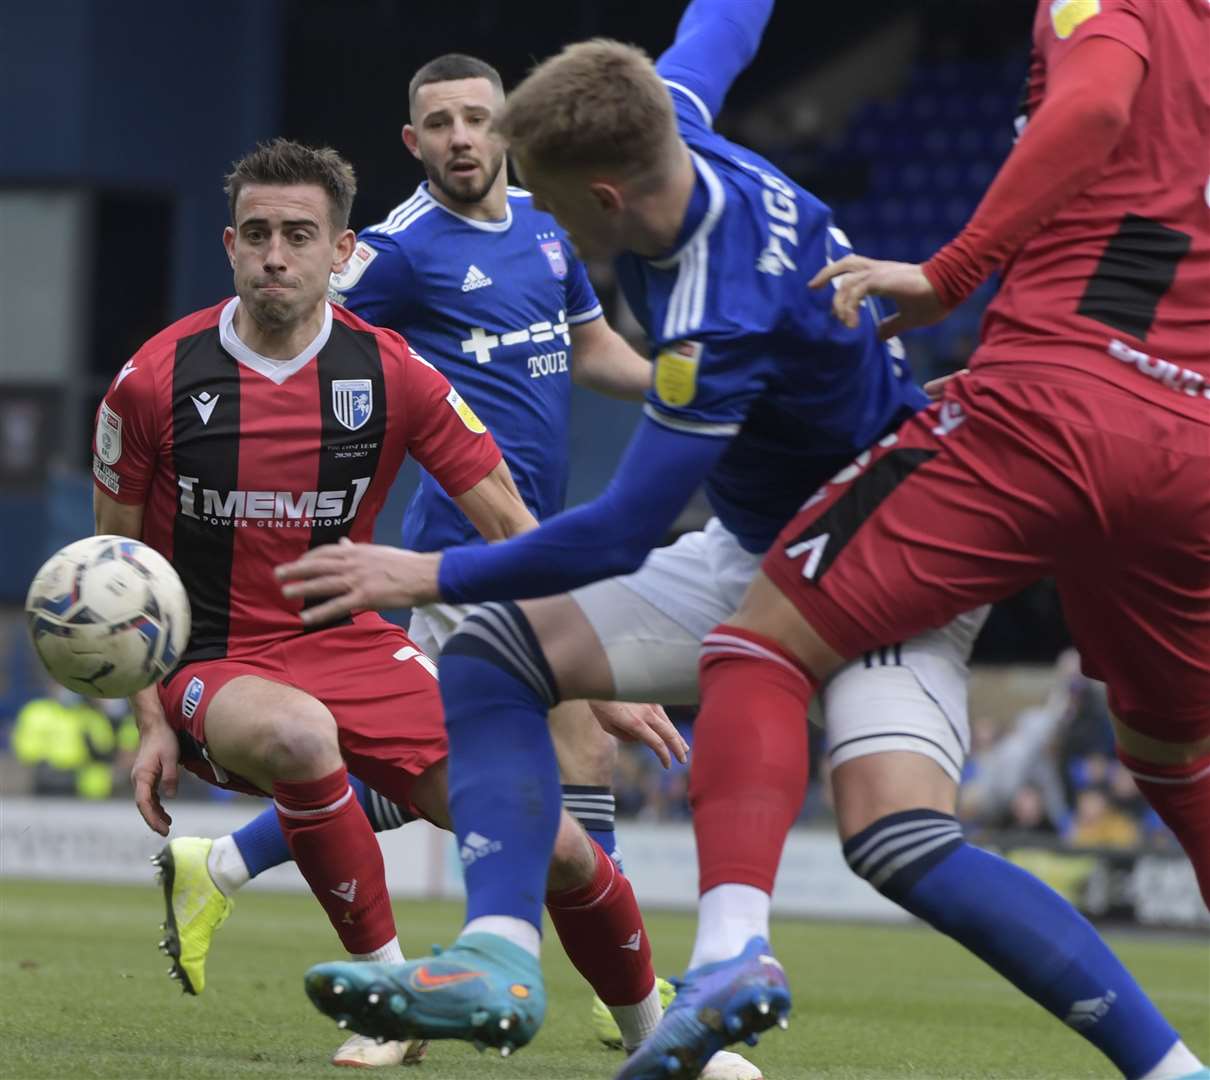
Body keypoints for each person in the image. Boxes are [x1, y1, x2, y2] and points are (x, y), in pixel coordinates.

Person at [284, 3, 1206, 1078]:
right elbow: (721, 21)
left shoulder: (720, 317)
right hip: (777, 543)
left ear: (607, 195)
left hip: (891, 552)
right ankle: (497, 949)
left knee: (870, 804)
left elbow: (622, 530)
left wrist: (424, 568)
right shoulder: (668, 125)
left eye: (550, 197)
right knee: (500, 654)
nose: (541, 218)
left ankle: (737, 957)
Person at [92, 137, 712, 1074]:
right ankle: (393, 1000)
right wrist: (149, 719)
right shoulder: (152, 381)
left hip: (354, 647)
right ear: (228, 244)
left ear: (343, 253)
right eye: (256, 234)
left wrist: (599, 671)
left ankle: (666, 1043)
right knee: (302, 735)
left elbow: (511, 523)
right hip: (216, 658)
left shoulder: (392, 373)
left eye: (299, 235)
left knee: (561, 849)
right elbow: (121, 574)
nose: (274, 255)